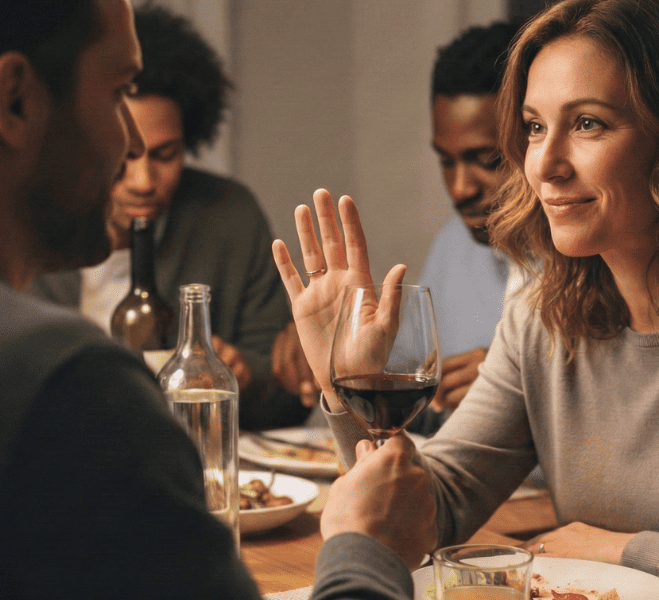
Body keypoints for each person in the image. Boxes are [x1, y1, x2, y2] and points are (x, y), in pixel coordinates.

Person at [271, 0, 659, 597]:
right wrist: (349, 388)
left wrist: (617, 552)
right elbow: (429, 516)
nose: (542, 165)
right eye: (534, 126)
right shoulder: (545, 313)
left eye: (588, 124)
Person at [0, 1, 434, 598]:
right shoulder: (68, 380)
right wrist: (367, 549)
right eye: (116, 92)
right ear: (15, 99)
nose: (133, 154)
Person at [25, 4, 318, 429]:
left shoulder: (228, 217)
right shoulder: (34, 227)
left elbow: (286, 391)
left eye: (166, 155)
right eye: (125, 156)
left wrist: (243, 375)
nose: (144, 181)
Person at [409, 21, 521, 436]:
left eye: (488, 160)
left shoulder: (601, 259)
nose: (459, 189)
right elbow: (417, 412)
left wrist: (517, 387)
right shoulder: (454, 243)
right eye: (446, 161)